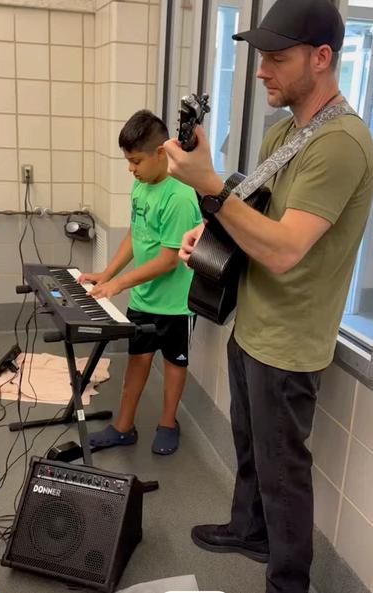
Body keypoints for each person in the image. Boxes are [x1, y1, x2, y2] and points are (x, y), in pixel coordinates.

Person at [163, 0, 373, 592]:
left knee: (283, 470)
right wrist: (207, 228)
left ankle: (288, 582)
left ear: (322, 58)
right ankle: (249, 529)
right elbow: (253, 213)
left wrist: (208, 185)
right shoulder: (285, 133)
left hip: (289, 340)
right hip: (253, 322)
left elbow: (283, 249)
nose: (261, 70)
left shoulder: (342, 143)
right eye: (261, 57)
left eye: (277, 58)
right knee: (250, 444)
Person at [78, 110, 202, 455]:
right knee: (138, 359)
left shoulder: (179, 197)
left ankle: (168, 423)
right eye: (128, 161)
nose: (130, 169)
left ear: (160, 152)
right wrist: (107, 274)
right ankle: (123, 427)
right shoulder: (141, 185)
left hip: (176, 304)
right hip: (144, 298)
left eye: (136, 161)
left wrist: (119, 285)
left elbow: (168, 260)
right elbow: (136, 235)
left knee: (175, 363)